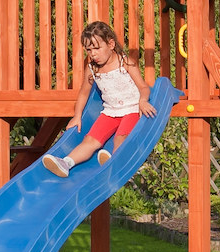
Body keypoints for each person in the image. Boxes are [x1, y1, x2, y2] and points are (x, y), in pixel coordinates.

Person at [42, 21, 156, 177]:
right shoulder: (92, 69)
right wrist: (77, 116)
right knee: (90, 140)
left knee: (121, 137)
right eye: (89, 50)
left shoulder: (125, 62)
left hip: (132, 109)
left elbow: (143, 87)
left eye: (96, 48)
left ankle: (115, 162)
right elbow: (83, 93)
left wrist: (143, 101)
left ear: (110, 44)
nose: (93, 54)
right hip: (110, 112)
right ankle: (66, 163)